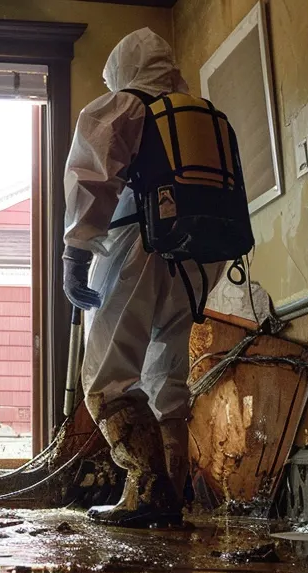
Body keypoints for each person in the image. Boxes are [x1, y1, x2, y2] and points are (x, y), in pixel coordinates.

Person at [62, 28, 214, 528]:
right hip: (201, 257)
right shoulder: (199, 116)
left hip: (139, 244)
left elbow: (91, 175)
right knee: (165, 375)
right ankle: (174, 490)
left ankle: (147, 489)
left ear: (122, 70)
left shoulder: (124, 106)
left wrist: (76, 251)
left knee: (106, 377)